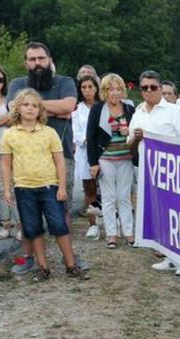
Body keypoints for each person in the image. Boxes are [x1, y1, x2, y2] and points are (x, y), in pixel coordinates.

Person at [6, 42, 80, 275]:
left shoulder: (64, 82)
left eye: (41, 58)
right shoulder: (18, 83)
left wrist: (33, 106)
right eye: (32, 59)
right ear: (26, 63)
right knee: (27, 214)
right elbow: (11, 108)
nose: (37, 63)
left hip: (60, 154)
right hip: (24, 159)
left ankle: (70, 259)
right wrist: (56, 110)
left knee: (62, 208)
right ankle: (28, 257)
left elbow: (70, 105)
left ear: (49, 59)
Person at [0, 89, 89, 281]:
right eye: (25, 105)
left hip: (50, 187)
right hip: (24, 189)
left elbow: (59, 161)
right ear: (17, 108)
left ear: (40, 110)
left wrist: (62, 187)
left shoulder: (49, 132)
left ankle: (71, 265)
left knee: (59, 226)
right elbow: (6, 164)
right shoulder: (9, 135)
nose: (30, 109)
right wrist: (7, 190)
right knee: (33, 229)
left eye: (34, 105)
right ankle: (43, 267)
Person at [128, 69, 180, 276]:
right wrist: (138, 138)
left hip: (173, 172)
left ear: (160, 88)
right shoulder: (138, 112)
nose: (149, 91)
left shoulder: (174, 111)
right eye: (145, 88)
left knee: (179, 214)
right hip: (148, 171)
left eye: (153, 87)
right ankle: (171, 257)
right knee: (160, 215)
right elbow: (129, 145)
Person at [86, 73, 136, 249]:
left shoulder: (129, 109)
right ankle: (111, 234)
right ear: (104, 91)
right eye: (110, 89)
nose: (114, 93)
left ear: (123, 91)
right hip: (106, 159)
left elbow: (137, 132)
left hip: (126, 158)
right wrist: (93, 163)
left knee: (124, 197)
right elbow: (90, 137)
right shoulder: (98, 109)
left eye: (118, 89)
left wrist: (129, 131)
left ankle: (129, 232)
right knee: (108, 198)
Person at [0, 65, 18, 239]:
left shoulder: (8, 100)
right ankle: (6, 224)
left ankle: (10, 225)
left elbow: (14, 121)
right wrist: (4, 120)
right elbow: (7, 120)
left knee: (4, 188)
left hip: (1, 147)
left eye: (0, 79)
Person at [73, 74, 101, 239]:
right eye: (84, 87)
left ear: (96, 88)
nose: (87, 90)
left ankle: (114, 223)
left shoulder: (103, 106)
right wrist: (88, 140)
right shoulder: (78, 110)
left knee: (108, 189)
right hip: (85, 154)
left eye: (90, 87)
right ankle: (93, 224)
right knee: (90, 190)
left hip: (104, 153)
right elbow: (76, 134)